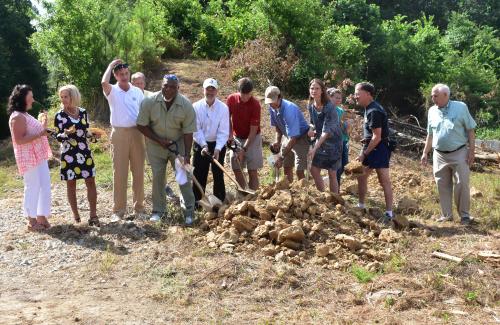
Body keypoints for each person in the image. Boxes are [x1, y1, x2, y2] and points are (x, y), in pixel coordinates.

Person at [136, 74, 197, 225]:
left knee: (184, 177)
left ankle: (189, 212)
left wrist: (187, 155)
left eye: (172, 87)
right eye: (165, 86)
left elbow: (188, 132)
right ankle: (159, 211)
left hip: (179, 144)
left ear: (178, 88)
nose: (168, 89)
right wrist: (160, 141)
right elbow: (141, 125)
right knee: (158, 177)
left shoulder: (186, 105)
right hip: (156, 145)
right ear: (161, 85)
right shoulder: (149, 102)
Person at [421, 83, 476, 225]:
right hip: (439, 154)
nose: (433, 98)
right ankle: (446, 215)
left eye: (435, 96)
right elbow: (430, 134)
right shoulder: (432, 111)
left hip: (459, 152)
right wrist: (425, 152)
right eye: (432, 96)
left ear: (446, 95)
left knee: (462, 183)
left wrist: (471, 151)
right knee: (442, 184)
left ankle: (464, 216)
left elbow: (470, 130)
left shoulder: (461, 107)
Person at [102, 59, 145, 222]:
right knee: (119, 173)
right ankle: (119, 210)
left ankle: (139, 208)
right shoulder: (111, 90)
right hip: (119, 134)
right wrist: (110, 65)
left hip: (137, 133)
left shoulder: (137, 92)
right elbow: (103, 82)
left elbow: (143, 114)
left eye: (126, 73)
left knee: (138, 172)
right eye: (120, 74)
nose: (124, 76)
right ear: (116, 75)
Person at [7, 84, 52, 231]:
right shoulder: (17, 117)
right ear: (22, 99)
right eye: (30, 97)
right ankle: (31, 221)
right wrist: (40, 134)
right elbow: (19, 140)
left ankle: (41, 215)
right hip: (28, 157)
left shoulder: (25, 114)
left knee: (44, 185)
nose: (33, 100)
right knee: (33, 186)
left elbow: (39, 131)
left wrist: (44, 124)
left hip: (38, 155)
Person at [54, 85, 100, 226]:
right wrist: (65, 134)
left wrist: (94, 136)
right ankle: (76, 216)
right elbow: (57, 136)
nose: (63, 99)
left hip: (84, 151)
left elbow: (86, 132)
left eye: (66, 96)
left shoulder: (83, 112)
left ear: (73, 96)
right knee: (71, 184)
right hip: (68, 154)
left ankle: (93, 215)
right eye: (61, 97)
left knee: (91, 182)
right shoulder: (59, 115)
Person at [354, 82, 394, 223]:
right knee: (361, 176)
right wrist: (364, 146)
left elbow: (377, 136)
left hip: (379, 148)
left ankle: (389, 213)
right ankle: (361, 205)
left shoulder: (373, 111)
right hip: (372, 146)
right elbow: (371, 135)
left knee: (383, 179)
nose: (355, 96)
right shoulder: (369, 108)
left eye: (358, 93)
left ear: (368, 94)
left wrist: (365, 153)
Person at [192, 78, 229, 203]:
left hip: (218, 144)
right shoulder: (196, 107)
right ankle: (197, 202)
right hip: (200, 143)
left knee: (218, 173)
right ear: (203, 90)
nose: (210, 92)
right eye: (208, 89)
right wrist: (203, 145)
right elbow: (196, 129)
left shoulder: (223, 108)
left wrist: (218, 148)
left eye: (213, 89)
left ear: (217, 91)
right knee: (199, 173)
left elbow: (223, 131)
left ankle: (219, 201)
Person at [266, 86, 310, 183]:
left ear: (279, 97)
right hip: (288, 137)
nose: (271, 104)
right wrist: (277, 141)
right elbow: (278, 127)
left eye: (272, 101)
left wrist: (281, 157)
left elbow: (294, 138)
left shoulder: (289, 109)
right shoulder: (272, 107)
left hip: (301, 138)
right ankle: (288, 190)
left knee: (299, 169)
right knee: (287, 166)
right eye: (269, 101)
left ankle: (302, 193)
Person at [226, 78, 263, 190]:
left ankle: (254, 197)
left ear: (252, 92)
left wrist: (244, 149)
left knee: (252, 170)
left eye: (248, 94)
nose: (246, 97)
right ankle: (244, 193)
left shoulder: (255, 105)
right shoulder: (231, 99)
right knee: (236, 168)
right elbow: (226, 118)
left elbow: (253, 131)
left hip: (253, 138)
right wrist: (230, 135)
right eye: (243, 94)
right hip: (236, 137)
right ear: (238, 91)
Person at [307, 79, 343, 193]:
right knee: (314, 170)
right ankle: (323, 196)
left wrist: (314, 148)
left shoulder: (329, 107)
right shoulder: (311, 106)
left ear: (322, 90)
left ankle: (334, 200)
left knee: (332, 173)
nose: (314, 91)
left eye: (317, 88)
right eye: (312, 88)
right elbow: (312, 122)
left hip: (334, 143)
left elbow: (326, 131)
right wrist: (311, 128)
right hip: (320, 142)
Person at [328, 88, 351, 187]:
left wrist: (348, 125)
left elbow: (344, 128)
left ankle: (336, 186)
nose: (339, 100)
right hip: (334, 143)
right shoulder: (327, 110)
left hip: (344, 140)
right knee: (336, 167)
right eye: (336, 98)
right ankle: (336, 191)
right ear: (330, 97)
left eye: (340, 98)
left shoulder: (340, 110)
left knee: (345, 164)